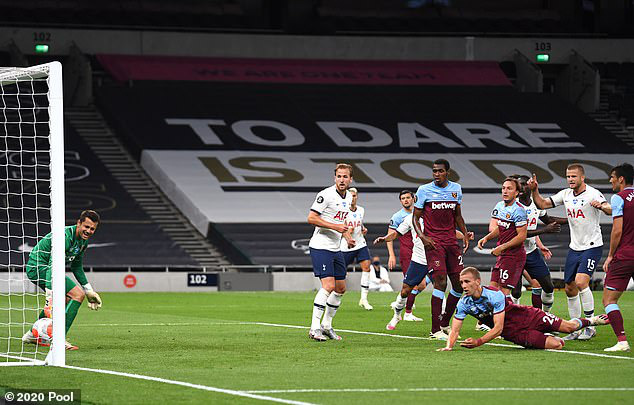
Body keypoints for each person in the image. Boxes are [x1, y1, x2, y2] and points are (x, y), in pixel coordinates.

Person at [437, 267, 609, 351]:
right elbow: (455, 329)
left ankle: (592, 321)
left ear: (477, 281)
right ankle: (547, 336)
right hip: (516, 334)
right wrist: (449, 347)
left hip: (529, 316)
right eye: (461, 282)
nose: (463, 285)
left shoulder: (494, 295)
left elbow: (498, 328)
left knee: (569, 327)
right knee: (558, 345)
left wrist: (479, 341)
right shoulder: (463, 303)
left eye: (467, 281)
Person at [529, 163, 610, 341]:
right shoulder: (565, 194)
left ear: (582, 177)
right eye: (568, 176)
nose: (570, 179)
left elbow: (610, 209)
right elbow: (542, 203)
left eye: (574, 176)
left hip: (592, 245)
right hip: (575, 247)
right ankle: (575, 328)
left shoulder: (593, 193)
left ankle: (590, 326)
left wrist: (603, 207)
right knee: (569, 288)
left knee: (581, 282)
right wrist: (535, 190)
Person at [374, 213, 469, 335]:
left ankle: (442, 326)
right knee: (405, 290)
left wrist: (464, 236)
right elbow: (397, 233)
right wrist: (385, 238)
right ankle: (397, 315)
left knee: (440, 286)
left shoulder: (436, 215)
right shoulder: (410, 219)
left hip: (436, 257)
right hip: (419, 260)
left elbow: (451, 233)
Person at [22, 210, 103, 350]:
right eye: (86, 226)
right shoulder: (65, 236)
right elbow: (51, 266)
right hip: (38, 267)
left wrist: (89, 290)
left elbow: (76, 266)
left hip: (49, 269)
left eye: (92, 229)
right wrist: (50, 295)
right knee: (78, 295)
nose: (88, 231)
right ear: (79, 223)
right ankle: (59, 339)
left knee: (66, 299)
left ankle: (32, 334)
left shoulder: (83, 242)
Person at [412, 159, 469, 339]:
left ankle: (445, 324)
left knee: (459, 285)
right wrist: (423, 237)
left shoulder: (456, 189)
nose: (436, 174)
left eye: (440, 171)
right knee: (440, 281)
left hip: (451, 242)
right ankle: (435, 329)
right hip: (434, 243)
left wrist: (465, 234)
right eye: (434, 171)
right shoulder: (424, 191)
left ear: (448, 173)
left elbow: (458, 215)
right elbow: (415, 218)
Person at [307, 163, 354, 342]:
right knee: (328, 286)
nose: (342, 180)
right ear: (334, 178)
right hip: (321, 246)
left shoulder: (349, 197)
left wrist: (348, 237)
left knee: (341, 288)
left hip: (336, 248)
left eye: (345, 177)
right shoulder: (325, 195)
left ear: (350, 179)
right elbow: (311, 218)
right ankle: (314, 328)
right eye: (339, 176)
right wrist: (336, 227)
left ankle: (327, 325)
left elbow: (343, 222)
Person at [509, 174, 565, 312]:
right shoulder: (513, 206)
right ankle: (513, 320)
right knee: (515, 291)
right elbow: (519, 234)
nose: (521, 187)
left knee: (548, 286)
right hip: (514, 252)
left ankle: (545, 317)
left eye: (523, 184)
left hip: (531, 253)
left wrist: (572, 218)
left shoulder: (536, 204)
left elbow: (548, 219)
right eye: (518, 185)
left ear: (530, 186)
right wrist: (545, 230)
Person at [602, 163, 634, 352]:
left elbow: (617, 230)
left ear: (621, 179)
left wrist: (611, 255)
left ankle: (622, 341)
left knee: (609, 300)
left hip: (626, 255)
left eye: (612, 177)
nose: (610, 180)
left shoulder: (618, 198)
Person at [477, 178, 527, 297]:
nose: (505, 191)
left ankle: (508, 315)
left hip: (513, 256)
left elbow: (522, 236)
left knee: (504, 292)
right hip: (503, 255)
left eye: (509, 188)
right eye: (503, 188)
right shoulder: (500, 206)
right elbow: (501, 227)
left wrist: (502, 247)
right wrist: (487, 238)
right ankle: (496, 316)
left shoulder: (519, 210)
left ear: (516, 193)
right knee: (492, 289)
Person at [387, 190, 422, 321]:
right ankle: (407, 312)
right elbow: (390, 236)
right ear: (400, 201)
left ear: (413, 199)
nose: (406, 200)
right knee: (414, 284)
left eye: (408, 197)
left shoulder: (420, 213)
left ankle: (400, 302)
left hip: (422, 252)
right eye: (403, 198)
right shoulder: (397, 217)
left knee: (422, 284)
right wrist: (391, 255)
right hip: (407, 253)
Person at [340, 188, 373, 310]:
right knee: (340, 273)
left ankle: (364, 299)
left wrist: (363, 229)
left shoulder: (361, 210)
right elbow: (340, 229)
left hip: (360, 244)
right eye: (350, 196)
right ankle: (334, 295)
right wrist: (348, 233)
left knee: (366, 268)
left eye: (354, 196)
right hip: (346, 247)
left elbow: (360, 223)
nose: (352, 198)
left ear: (357, 196)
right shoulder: (342, 211)